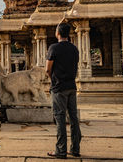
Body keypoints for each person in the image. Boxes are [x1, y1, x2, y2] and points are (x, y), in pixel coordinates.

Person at [46, 23, 81, 159]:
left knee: (60, 118)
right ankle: (75, 149)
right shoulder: (74, 49)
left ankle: (61, 150)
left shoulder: (54, 48)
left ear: (58, 33)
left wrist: (53, 79)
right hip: (72, 86)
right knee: (73, 118)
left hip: (59, 88)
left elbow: (48, 69)